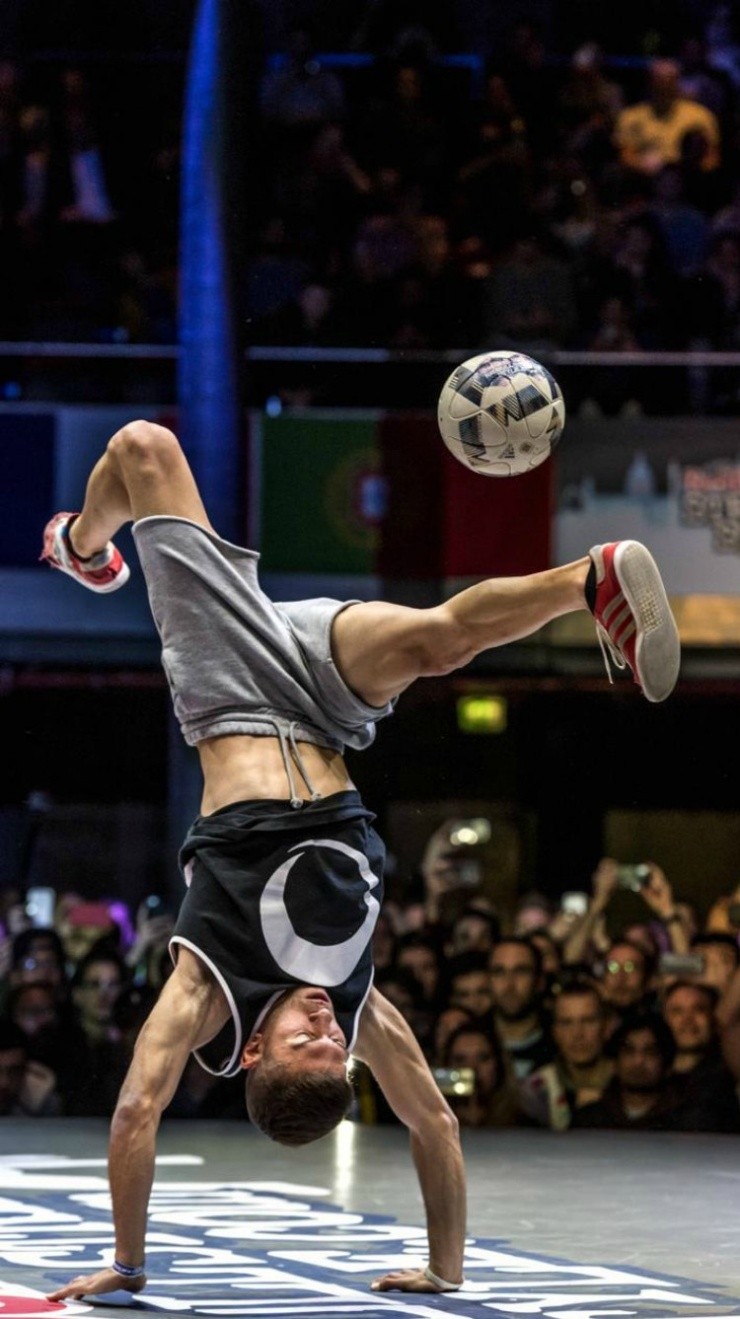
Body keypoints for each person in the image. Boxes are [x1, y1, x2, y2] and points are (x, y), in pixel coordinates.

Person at [39, 418, 679, 1302]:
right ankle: (588, 579)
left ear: (257, 1050)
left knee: (146, 448)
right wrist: (446, 1268)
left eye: (306, 1040)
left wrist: (128, 1263)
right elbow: (434, 1118)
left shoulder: (203, 985)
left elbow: (138, 1108)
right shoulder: (353, 1000)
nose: (328, 1029)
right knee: (439, 643)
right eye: (334, 1048)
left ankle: (80, 545)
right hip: (326, 702)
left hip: (230, 684)